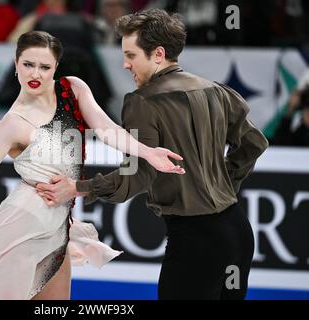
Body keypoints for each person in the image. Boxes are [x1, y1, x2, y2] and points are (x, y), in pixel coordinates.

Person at [0, 30, 185, 300]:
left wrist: (148, 152)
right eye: (28, 64)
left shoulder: (72, 89)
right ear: (16, 64)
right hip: (19, 227)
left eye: (44, 66)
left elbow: (107, 129)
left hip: (58, 225)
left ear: (55, 68)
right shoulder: (8, 126)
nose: (35, 74)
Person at [36, 9, 269, 300]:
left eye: (131, 56)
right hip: (237, 231)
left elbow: (139, 173)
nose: (124, 64)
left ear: (158, 54)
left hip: (196, 240)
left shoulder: (142, 102)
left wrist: (79, 188)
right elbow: (254, 144)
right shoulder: (217, 91)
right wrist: (222, 183)